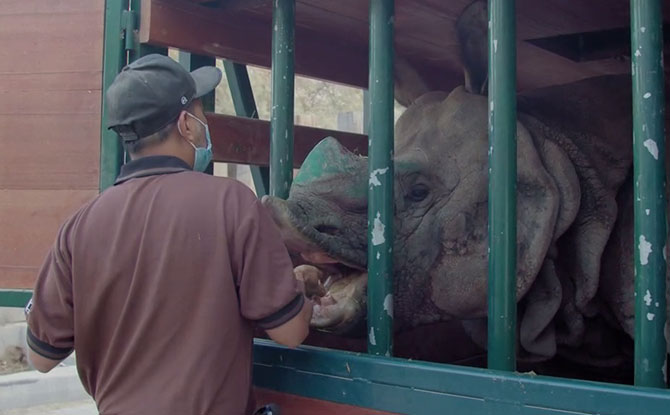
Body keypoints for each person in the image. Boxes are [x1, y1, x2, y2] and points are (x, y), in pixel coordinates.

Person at [24, 54, 313, 415]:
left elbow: (40, 357)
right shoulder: (230, 203)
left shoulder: (79, 226)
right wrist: (301, 289)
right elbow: (289, 333)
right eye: (201, 114)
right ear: (186, 125)